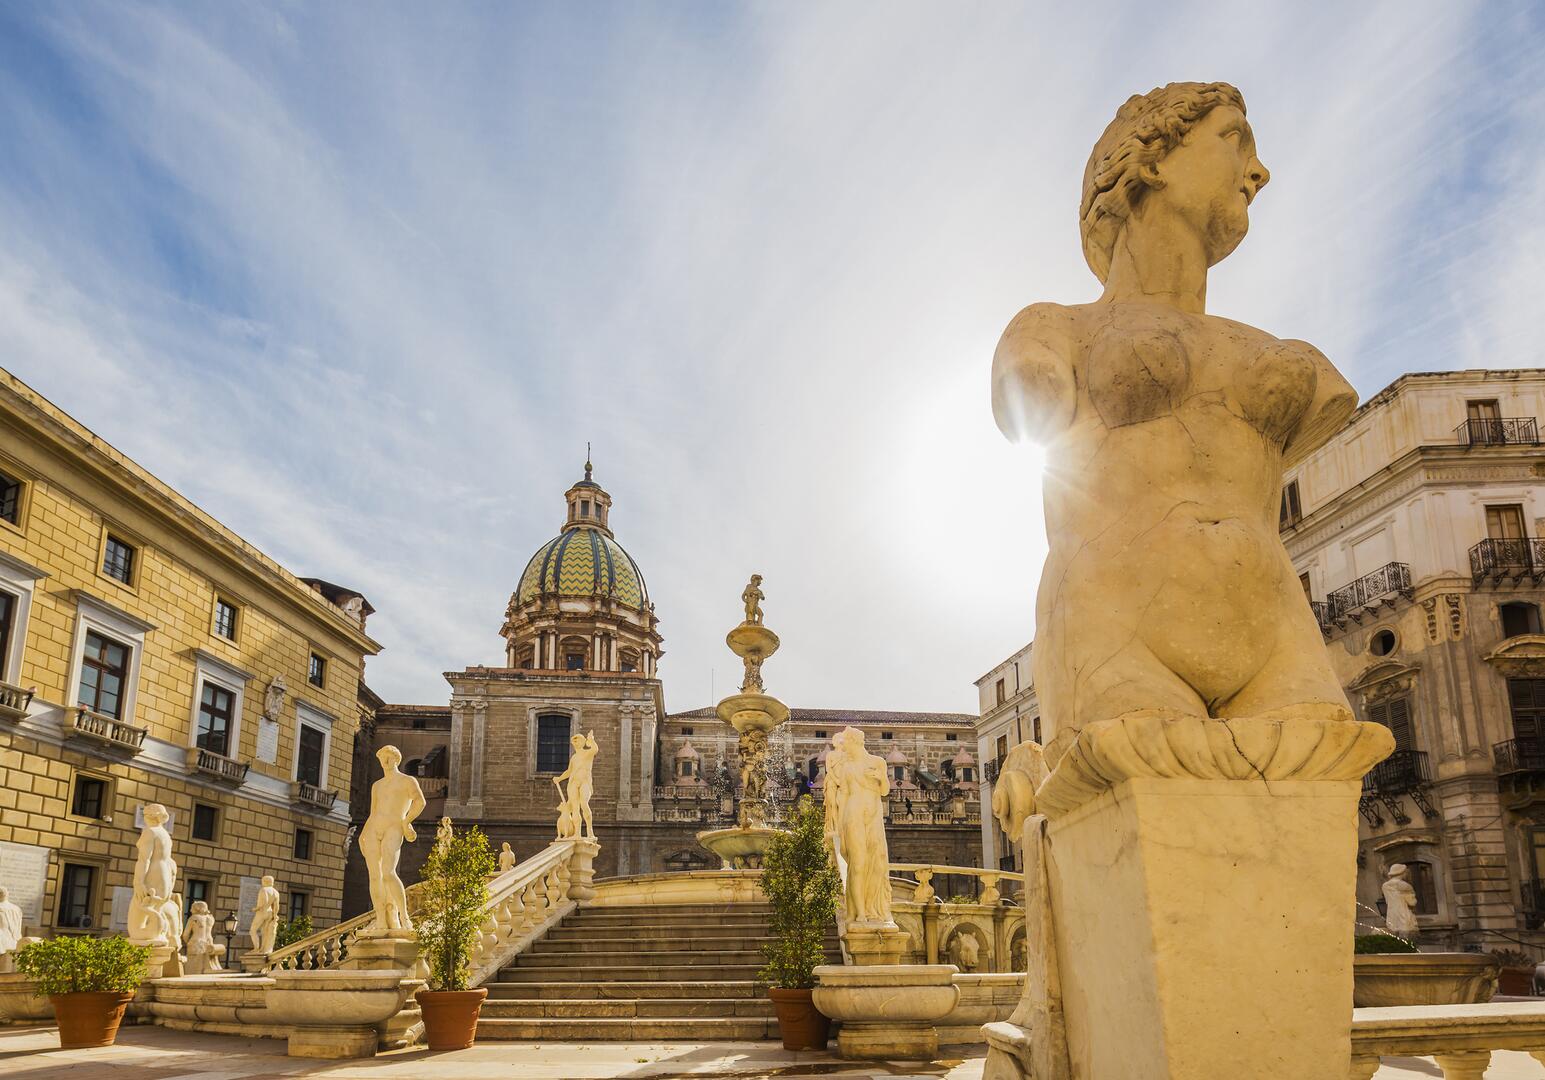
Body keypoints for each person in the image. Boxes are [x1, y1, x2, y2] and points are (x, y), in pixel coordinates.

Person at [991, 82, 1356, 761]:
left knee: (1306, 825)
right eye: (1233, 140)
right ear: (1148, 161)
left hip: (1274, 631)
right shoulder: (1051, 329)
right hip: (1113, 627)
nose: (1258, 171)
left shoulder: (1285, 358)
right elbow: (1026, 402)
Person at [824, 727, 893, 926]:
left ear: (856, 742)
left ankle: (873, 910)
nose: (844, 748)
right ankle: (859, 913)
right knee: (858, 863)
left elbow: (885, 791)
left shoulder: (878, 762)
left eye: (846, 744)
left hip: (874, 816)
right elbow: (843, 796)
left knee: (878, 864)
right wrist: (838, 828)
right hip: (852, 815)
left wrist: (881, 778)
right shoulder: (845, 767)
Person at [358, 745, 427, 932]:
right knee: (374, 876)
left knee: (388, 872)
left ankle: (403, 916)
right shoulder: (377, 785)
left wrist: (406, 821)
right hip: (374, 829)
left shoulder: (407, 781)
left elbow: (420, 802)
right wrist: (363, 833)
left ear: (396, 759)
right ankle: (381, 919)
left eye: (388, 758)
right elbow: (373, 812)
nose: (384, 762)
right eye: (381, 758)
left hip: (394, 826)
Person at [553, 732, 599, 840]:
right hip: (573, 782)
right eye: (574, 741)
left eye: (578, 740)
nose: (576, 743)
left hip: (585, 782)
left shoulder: (587, 753)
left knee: (584, 804)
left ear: (583, 742)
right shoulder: (574, 758)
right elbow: (569, 771)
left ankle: (589, 831)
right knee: (575, 808)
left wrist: (591, 740)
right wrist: (559, 778)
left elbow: (595, 749)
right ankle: (577, 833)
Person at [250, 875, 281, 954]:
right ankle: (263, 949)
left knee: (253, 931)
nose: (262, 883)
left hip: (262, 912)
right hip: (270, 913)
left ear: (265, 881)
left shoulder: (263, 890)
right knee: (265, 932)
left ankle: (256, 949)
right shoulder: (276, 892)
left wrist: (255, 909)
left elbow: (263, 902)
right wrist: (275, 915)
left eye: (262, 881)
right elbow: (276, 906)